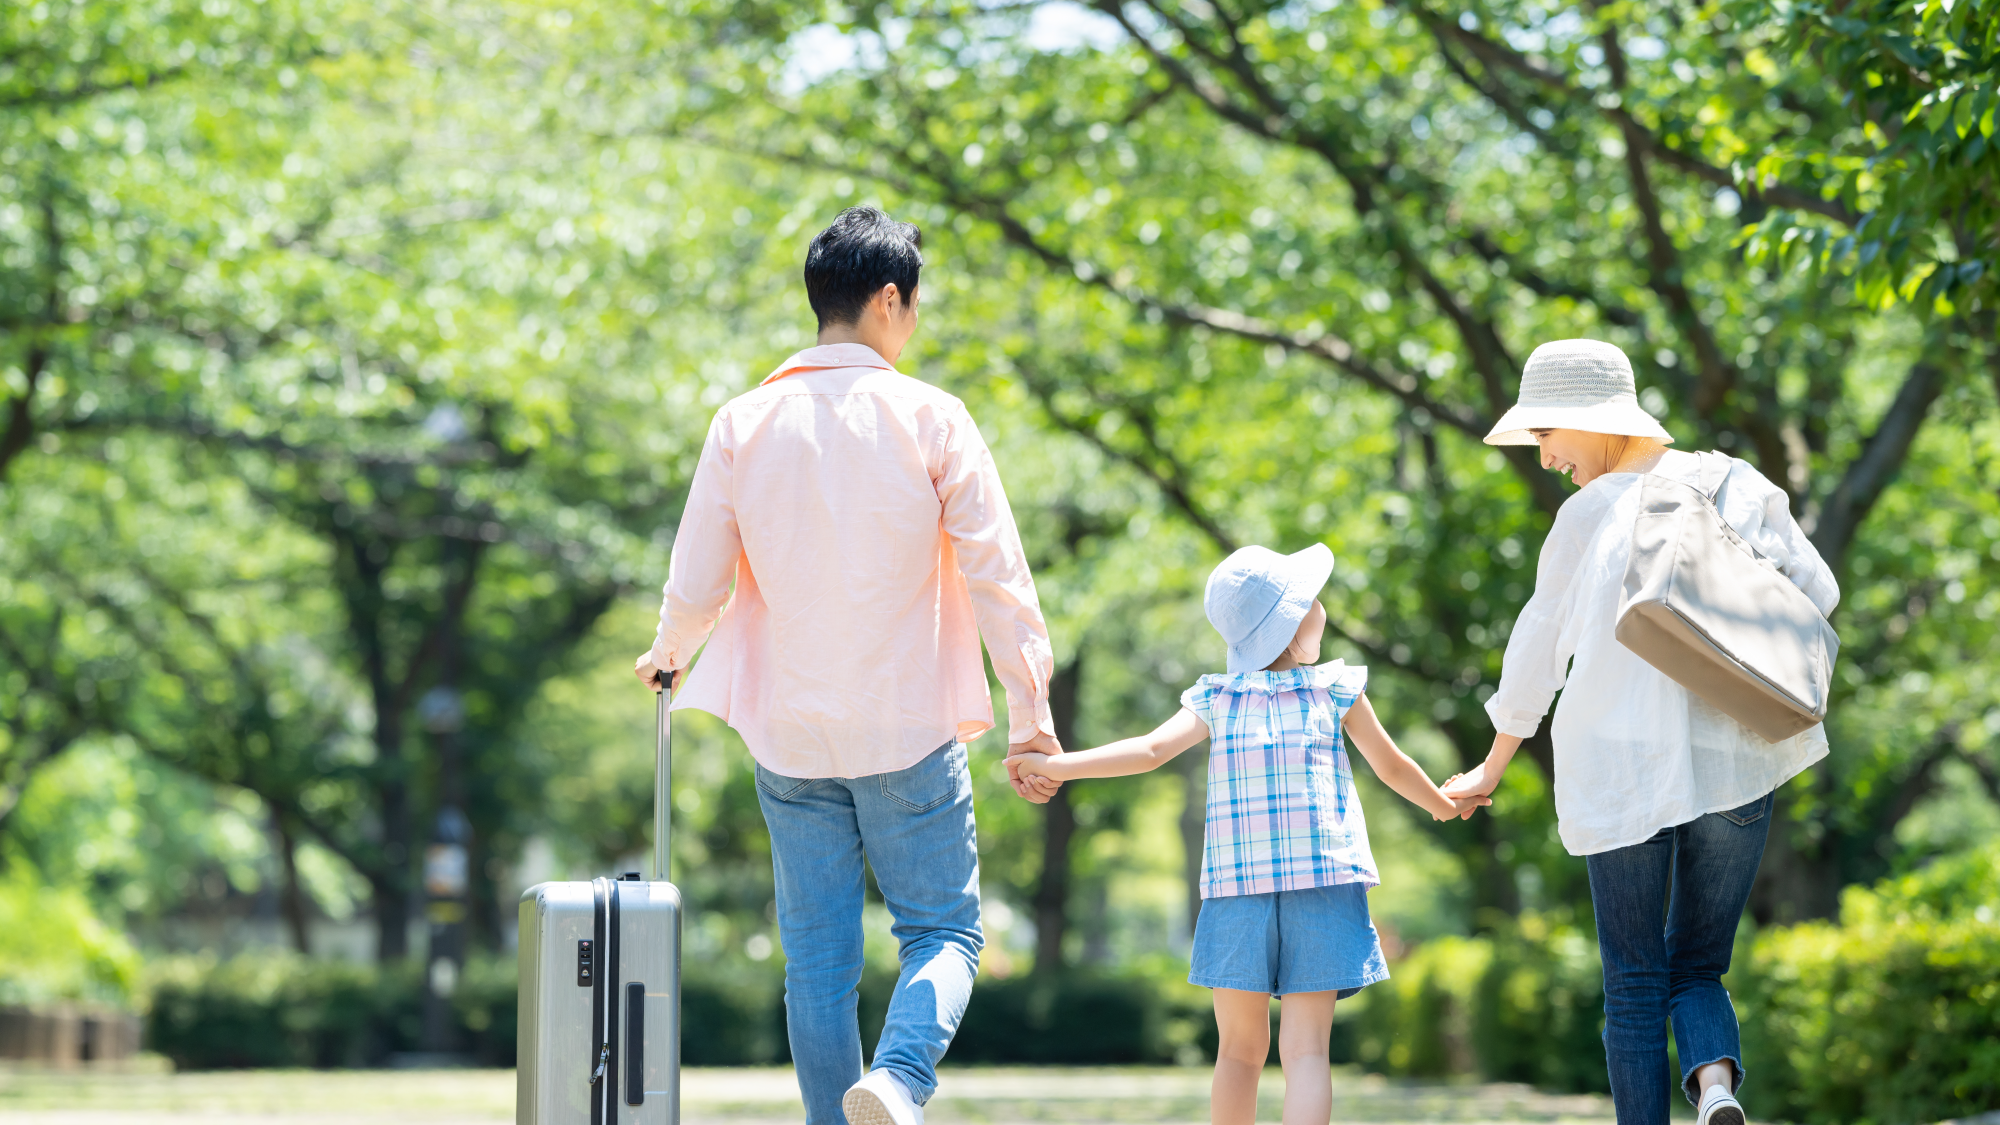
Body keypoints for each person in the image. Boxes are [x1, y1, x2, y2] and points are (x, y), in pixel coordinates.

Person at [634, 206, 1065, 1125]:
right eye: (913, 305)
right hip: (907, 724)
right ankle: (901, 1079)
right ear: (887, 299)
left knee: (818, 962)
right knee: (944, 930)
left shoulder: (742, 421)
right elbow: (999, 574)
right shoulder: (932, 417)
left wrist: (669, 654)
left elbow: (697, 574)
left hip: (790, 733)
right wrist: (1030, 710)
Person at [1440, 339, 1839, 1125]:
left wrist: (1488, 768)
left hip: (1620, 765)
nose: (1546, 456)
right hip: (1739, 755)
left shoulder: (1590, 513)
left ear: (1588, 421)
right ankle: (1716, 1087)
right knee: (1698, 964)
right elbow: (1818, 590)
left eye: (1545, 434)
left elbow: (1536, 651)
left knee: (1632, 981)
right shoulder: (1738, 482)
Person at [1009, 544, 1488, 1125]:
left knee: (1238, 1051)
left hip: (1236, 889)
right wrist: (1442, 804)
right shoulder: (1335, 688)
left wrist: (1056, 766)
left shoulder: (1217, 696)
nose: (1323, 610)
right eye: (1312, 603)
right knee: (1307, 1049)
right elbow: (1392, 766)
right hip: (1325, 883)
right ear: (1293, 625)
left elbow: (1149, 752)